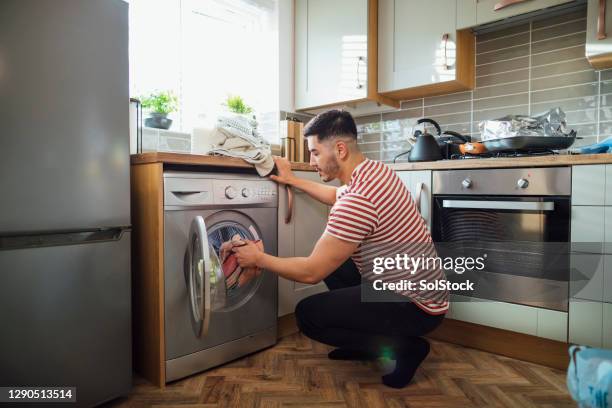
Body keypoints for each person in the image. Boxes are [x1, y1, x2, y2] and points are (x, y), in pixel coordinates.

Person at [232, 109, 448, 388]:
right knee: (336, 266)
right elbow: (336, 194)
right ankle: (367, 342)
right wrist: (293, 180)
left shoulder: (358, 200)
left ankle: (405, 348)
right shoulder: (375, 171)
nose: (311, 162)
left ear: (340, 149)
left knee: (308, 315)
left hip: (417, 306)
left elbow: (310, 272)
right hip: (424, 288)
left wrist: (258, 257)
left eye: (315, 153)